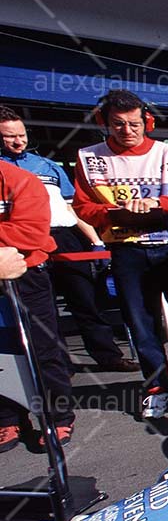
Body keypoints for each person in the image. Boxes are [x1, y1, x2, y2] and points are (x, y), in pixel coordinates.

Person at [72, 90, 168, 420]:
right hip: (127, 251)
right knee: (141, 324)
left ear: (148, 121)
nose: (127, 131)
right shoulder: (89, 157)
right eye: (118, 124)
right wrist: (113, 212)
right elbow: (81, 206)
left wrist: (158, 203)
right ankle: (158, 388)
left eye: (134, 123)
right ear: (104, 122)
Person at [0, 107, 138, 372]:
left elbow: (72, 208)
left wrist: (96, 241)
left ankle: (108, 355)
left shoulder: (47, 165)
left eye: (21, 134)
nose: (18, 141)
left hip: (64, 238)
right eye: (9, 137)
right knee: (42, 308)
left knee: (85, 299)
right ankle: (57, 365)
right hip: (21, 244)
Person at [0, 160, 76, 451]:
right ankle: (9, 418)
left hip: (27, 274)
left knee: (43, 348)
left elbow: (30, 234)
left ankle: (57, 417)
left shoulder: (21, 180)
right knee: (1, 352)